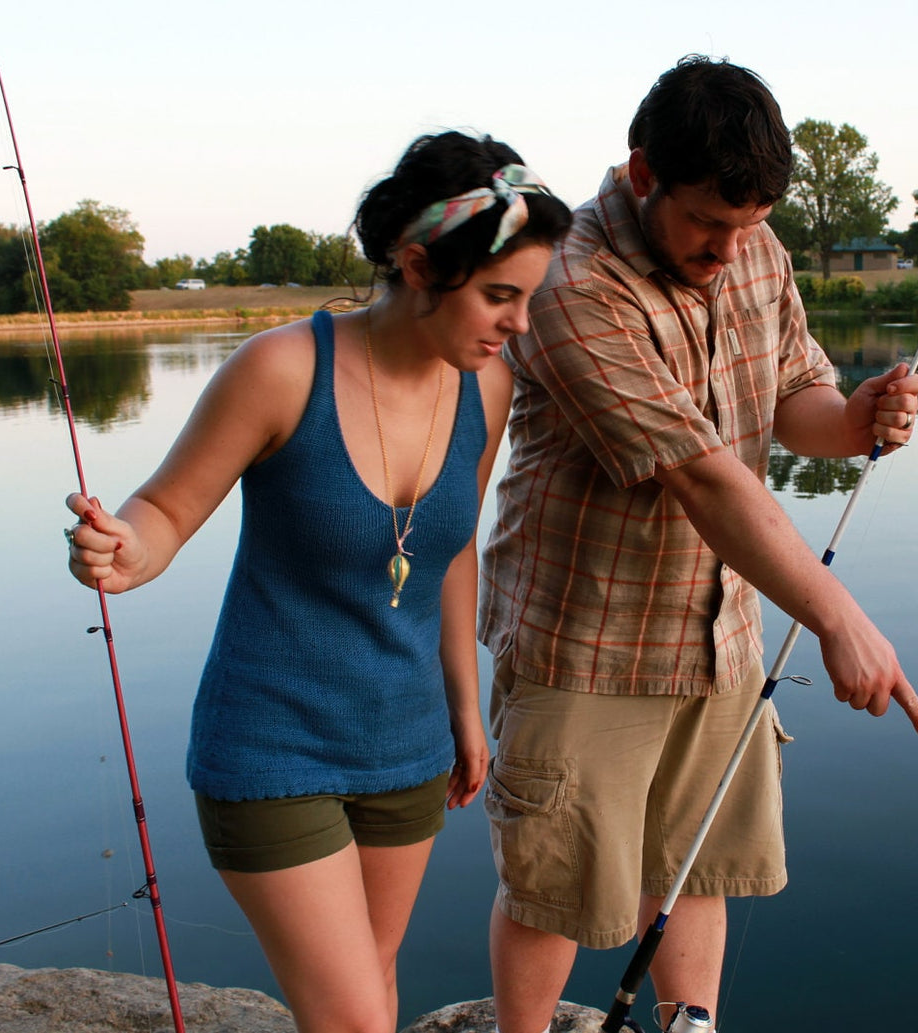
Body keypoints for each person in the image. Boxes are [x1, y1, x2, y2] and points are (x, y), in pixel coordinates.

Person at [63, 131, 571, 1033]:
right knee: (352, 1018)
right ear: (418, 265)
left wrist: (464, 703)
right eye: (500, 296)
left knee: (373, 983)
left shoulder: (486, 390)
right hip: (270, 748)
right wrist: (121, 550)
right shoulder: (283, 368)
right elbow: (166, 512)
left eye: (528, 299)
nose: (518, 324)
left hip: (406, 746)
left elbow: (450, 552)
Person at [478, 56, 918, 1033]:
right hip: (582, 645)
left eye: (750, 225)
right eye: (708, 225)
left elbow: (788, 398)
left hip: (718, 637)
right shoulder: (569, 280)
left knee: (693, 867)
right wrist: (836, 617)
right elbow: (696, 474)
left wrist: (851, 421)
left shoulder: (750, 248)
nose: (730, 249)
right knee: (550, 890)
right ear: (642, 175)